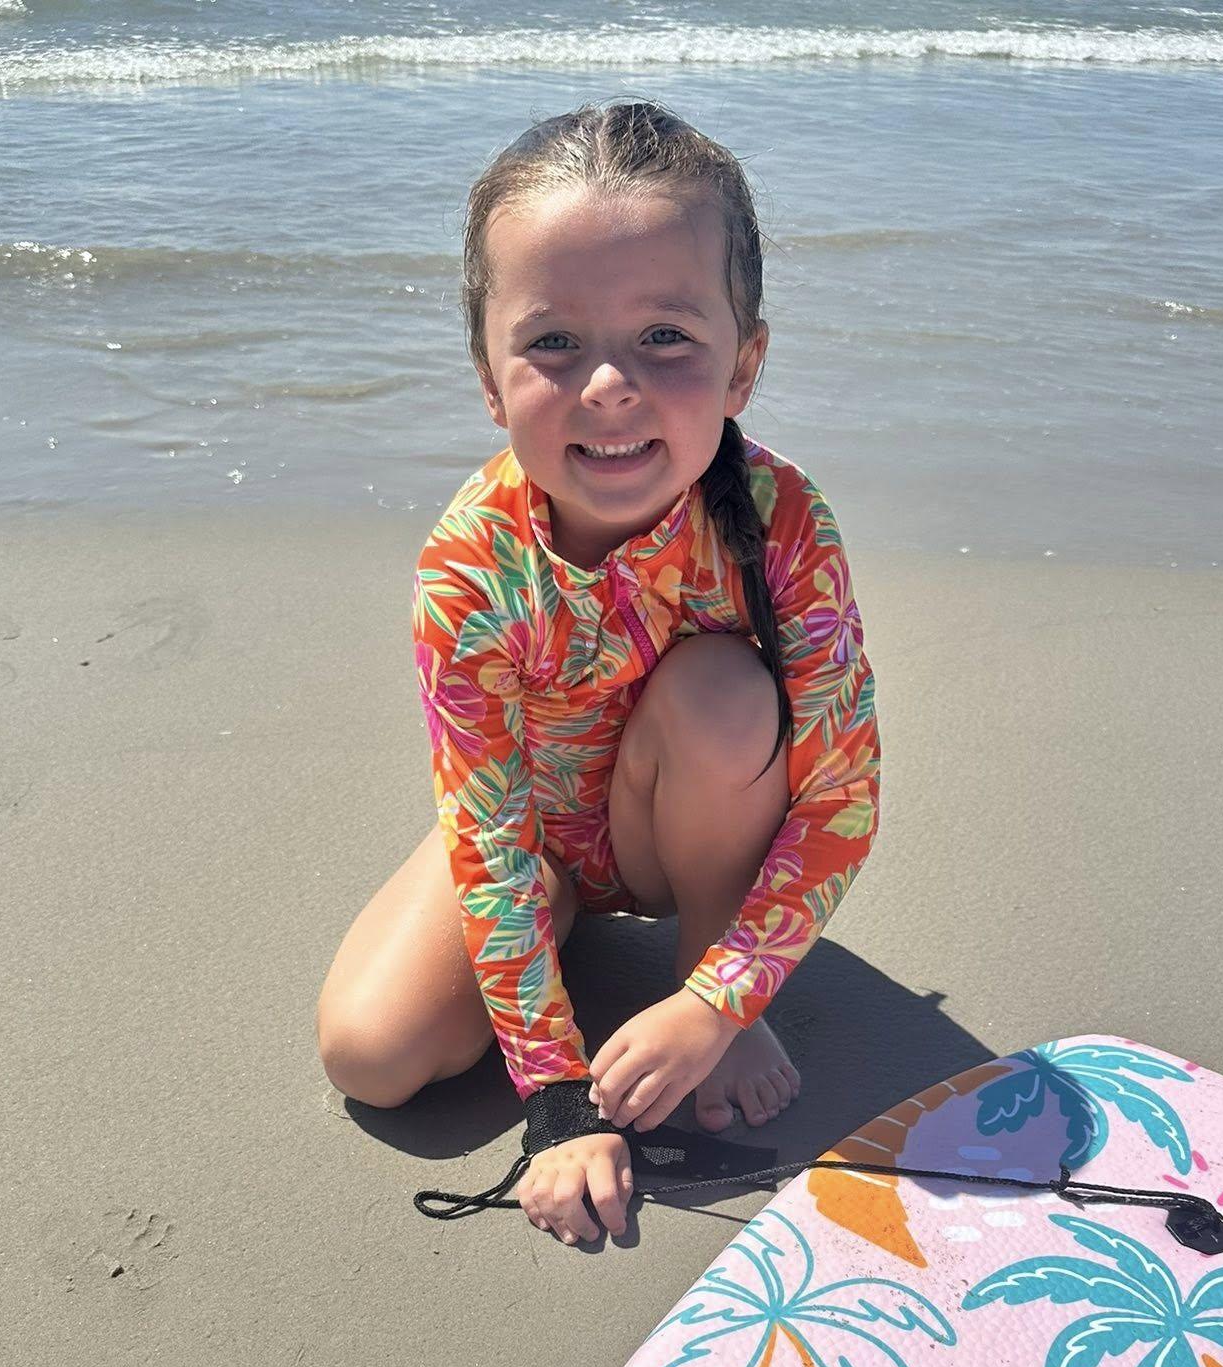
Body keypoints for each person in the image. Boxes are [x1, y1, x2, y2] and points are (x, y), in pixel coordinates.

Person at [317, 101, 880, 1247]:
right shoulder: (468, 568)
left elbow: (843, 799)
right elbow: (487, 832)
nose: (611, 384)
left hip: (691, 834)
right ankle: (554, 928)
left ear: (744, 363)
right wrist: (560, 1100)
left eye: (666, 336)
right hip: (532, 836)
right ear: (488, 377)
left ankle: (703, 958)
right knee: (371, 1055)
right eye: (554, 343)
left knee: (722, 694)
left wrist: (718, 1001)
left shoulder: (781, 521)